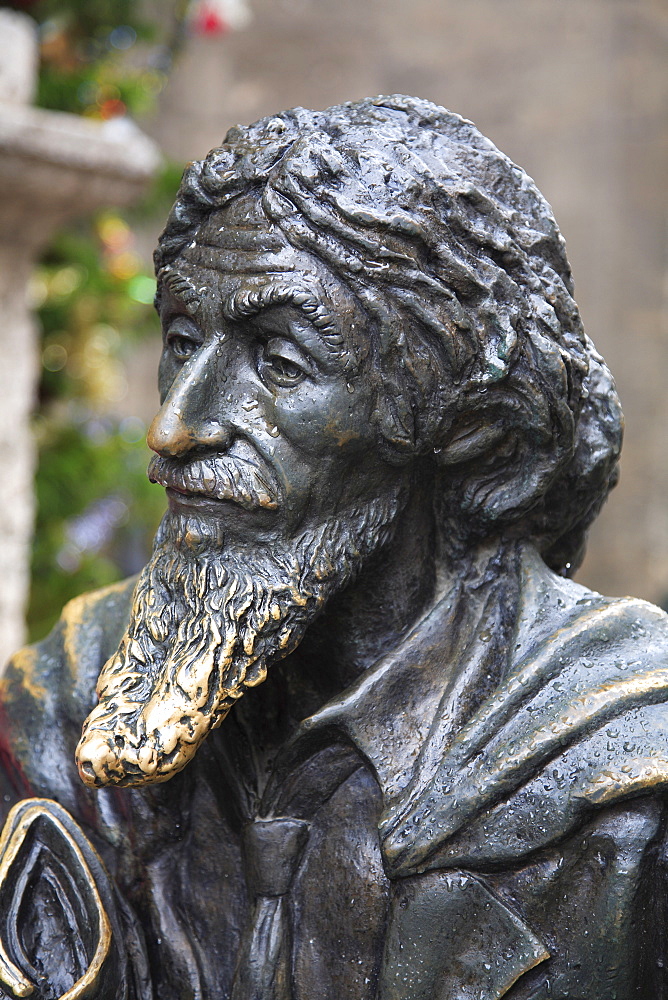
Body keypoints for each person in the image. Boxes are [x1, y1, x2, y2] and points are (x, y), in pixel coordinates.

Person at [1, 95, 667, 1000]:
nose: (173, 427)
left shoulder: (630, 764)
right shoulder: (62, 704)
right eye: (183, 341)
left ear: (458, 421)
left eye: (280, 364)